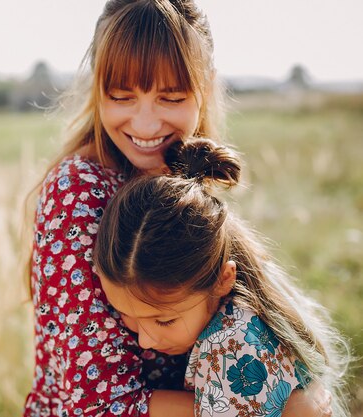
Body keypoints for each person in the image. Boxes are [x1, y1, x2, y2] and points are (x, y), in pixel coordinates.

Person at [23, 1, 335, 416]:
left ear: (205, 87)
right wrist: (282, 408)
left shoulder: (183, 171)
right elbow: (98, 405)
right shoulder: (76, 195)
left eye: (171, 97)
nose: (147, 125)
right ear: (97, 89)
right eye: (121, 96)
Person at [92, 138, 349, 417]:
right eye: (125, 314)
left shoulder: (230, 350)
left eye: (164, 320)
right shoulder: (246, 303)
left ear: (222, 279)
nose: (145, 341)